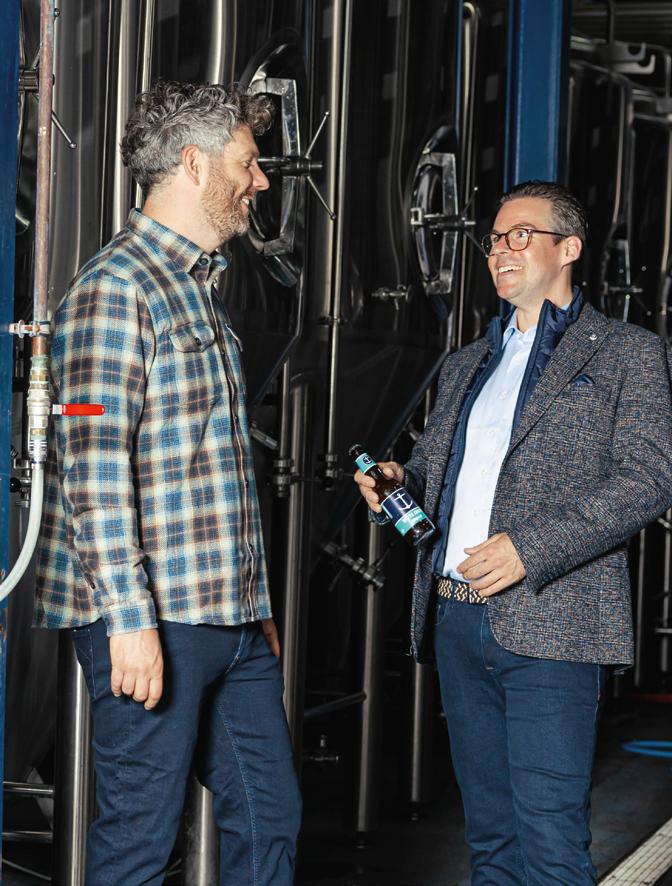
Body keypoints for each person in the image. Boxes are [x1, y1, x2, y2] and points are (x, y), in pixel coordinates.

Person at [355, 180, 672, 885]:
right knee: (491, 841)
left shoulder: (627, 353)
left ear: (569, 248)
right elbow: (436, 471)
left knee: (551, 844)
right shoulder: (468, 361)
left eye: (521, 235)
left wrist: (531, 549)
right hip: (456, 620)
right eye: (495, 239)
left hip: (553, 625)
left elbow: (648, 481)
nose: (501, 250)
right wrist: (397, 482)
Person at [35, 80, 301, 886]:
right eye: (247, 163)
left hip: (230, 615)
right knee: (140, 840)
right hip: (155, 617)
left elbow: (207, 465)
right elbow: (93, 469)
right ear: (193, 163)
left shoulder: (196, 288)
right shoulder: (116, 290)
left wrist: (254, 602)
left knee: (269, 815)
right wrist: (128, 621)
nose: (261, 181)